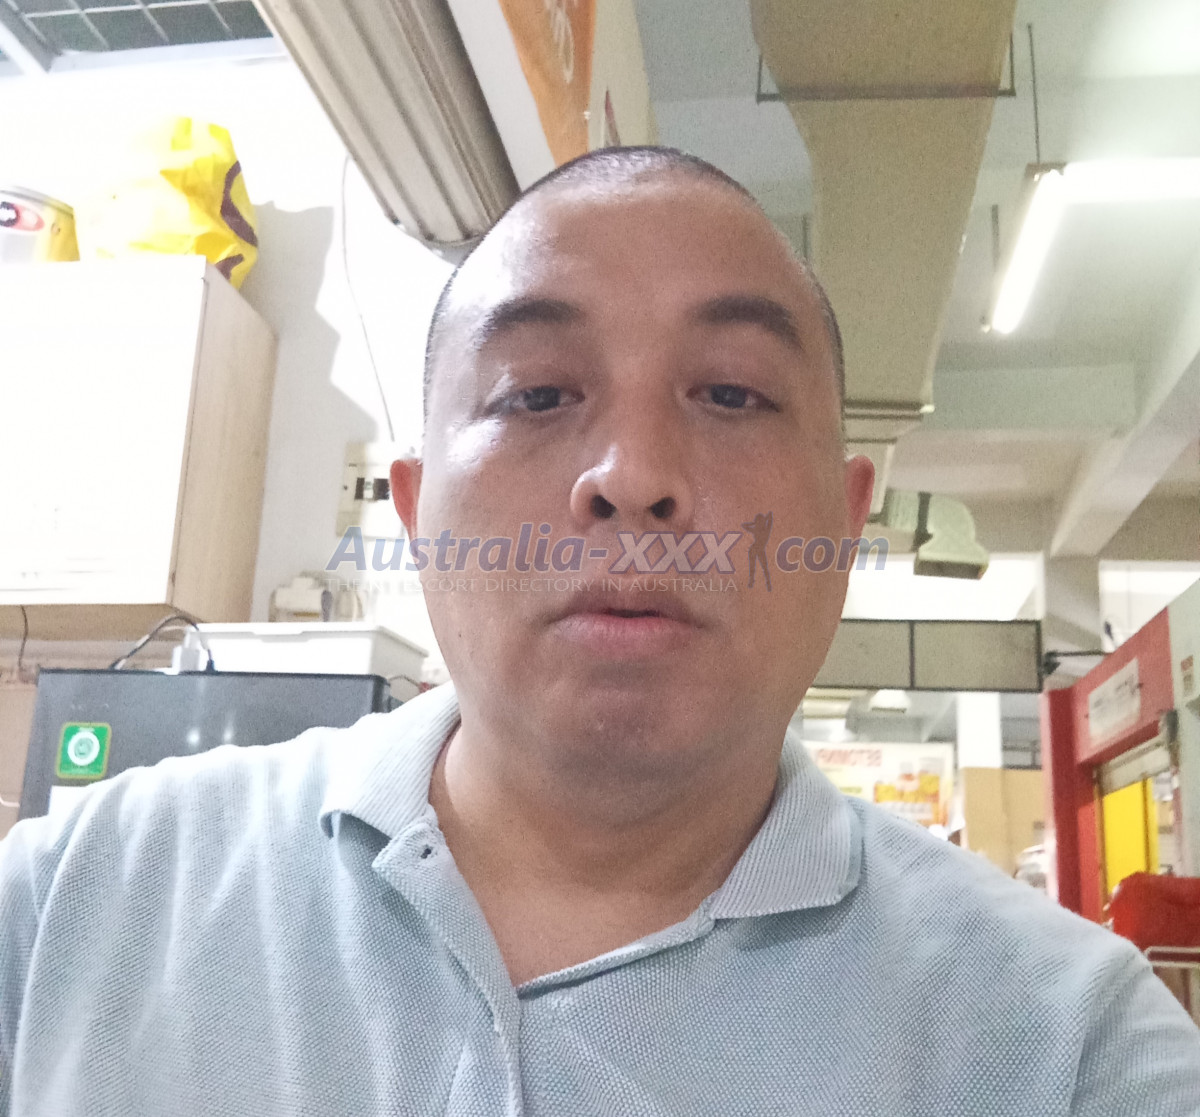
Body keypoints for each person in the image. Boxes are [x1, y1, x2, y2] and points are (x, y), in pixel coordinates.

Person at [1, 147, 1198, 1115]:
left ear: (843, 528)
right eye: (536, 393)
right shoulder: (78, 901)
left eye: (730, 392)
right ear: (418, 517)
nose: (632, 477)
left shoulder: (1069, 1048)